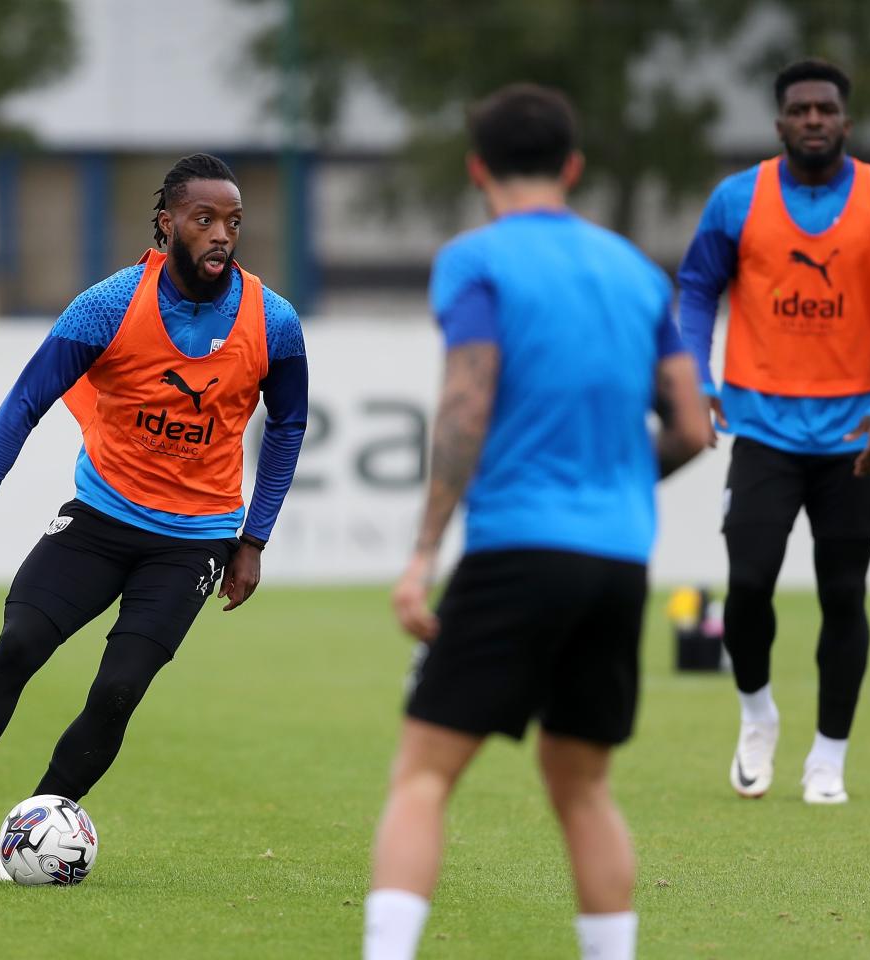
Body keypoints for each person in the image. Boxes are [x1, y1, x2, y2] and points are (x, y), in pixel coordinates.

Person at [0, 153, 308, 876]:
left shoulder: (275, 322)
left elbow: (288, 428)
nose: (221, 234)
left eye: (233, 220)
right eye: (204, 219)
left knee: (117, 691)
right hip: (99, 521)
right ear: (167, 223)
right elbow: (22, 408)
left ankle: (24, 839)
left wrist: (252, 539)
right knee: (16, 649)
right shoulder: (108, 306)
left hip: (192, 543)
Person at [363, 84, 711, 960]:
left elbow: (466, 405)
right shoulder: (636, 271)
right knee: (582, 787)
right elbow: (695, 426)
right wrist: (624, 475)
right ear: (574, 166)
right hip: (619, 560)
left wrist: (421, 554)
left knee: (424, 777)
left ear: (478, 168)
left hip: (519, 545)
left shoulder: (477, 260)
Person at [678, 59, 870, 805]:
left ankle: (829, 757)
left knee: (843, 595)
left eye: (825, 109)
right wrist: (697, 377)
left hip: (854, 434)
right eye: (799, 108)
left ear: (846, 123)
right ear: (780, 121)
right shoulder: (736, 201)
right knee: (748, 585)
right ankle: (758, 715)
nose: (813, 119)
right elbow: (695, 288)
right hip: (761, 424)